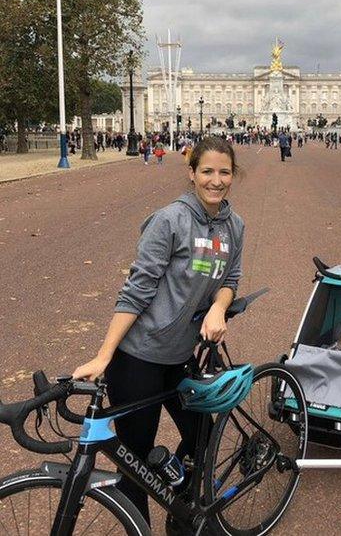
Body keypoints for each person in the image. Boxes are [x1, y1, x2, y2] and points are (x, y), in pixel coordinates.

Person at [72, 137, 244, 528]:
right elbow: (137, 290)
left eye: (224, 172)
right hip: (139, 359)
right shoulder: (169, 221)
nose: (216, 181)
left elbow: (231, 278)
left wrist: (218, 307)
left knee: (201, 435)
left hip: (180, 355)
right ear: (192, 173)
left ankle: (183, 510)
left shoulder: (235, 224)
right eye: (207, 172)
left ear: (232, 175)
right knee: (135, 461)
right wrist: (104, 355)